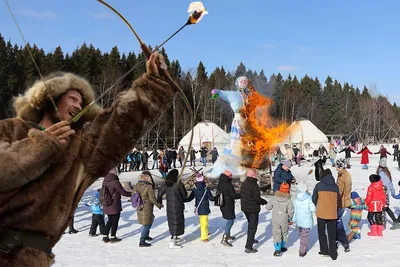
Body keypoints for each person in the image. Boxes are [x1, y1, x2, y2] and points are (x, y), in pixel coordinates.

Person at [0, 52, 174, 266]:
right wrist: (43, 145)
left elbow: (120, 125)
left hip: (32, 259)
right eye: (72, 98)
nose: (77, 105)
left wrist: (153, 85)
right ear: (51, 97)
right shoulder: (10, 128)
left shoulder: (79, 147)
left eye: (81, 103)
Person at [312, 169, 340, 261]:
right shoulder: (336, 187)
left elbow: (314, 198)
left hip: (321, 212)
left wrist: (319, 205)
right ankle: (333, 252)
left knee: (321, 232)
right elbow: (338, 200)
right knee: (332, 233)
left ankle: (324, 250)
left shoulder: (319, 185)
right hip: (332, 213)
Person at [157, 169, 188, 249]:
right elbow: (184, 196)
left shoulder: (167, 184)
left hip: (170, 206)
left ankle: (175, 236)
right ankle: (173, 242)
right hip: (178, 206)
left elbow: (159, 194)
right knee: (177, 222)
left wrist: (159, 202)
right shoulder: (179, 184)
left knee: (172, 222)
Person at [240, 169, 268, 253]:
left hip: (245, 208)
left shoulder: (244, 183)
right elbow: (257, 199)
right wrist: (264, 201)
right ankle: (248, 247)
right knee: (253, 227)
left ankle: (251, 239)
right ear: (253, 176)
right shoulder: (254, 185)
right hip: (252, 209)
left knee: (250, 225)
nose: (257, 175)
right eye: (256, 174)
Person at [101, 168, 132, 243]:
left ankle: (105, 236)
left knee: (110, 220)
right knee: (114, 220)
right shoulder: (115, 181)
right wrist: (132, 194)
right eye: (116, 171)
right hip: (114, 204)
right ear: (114, 172)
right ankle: (113, 236)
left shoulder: (105, 180)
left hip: (106, 203)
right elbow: (123, 192)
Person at [266, 182, 294, 257]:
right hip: (284, 219)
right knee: (284, 233)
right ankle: (282, 246)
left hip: (275, 219)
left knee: (276, 233)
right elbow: (290, 211)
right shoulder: (288, 200)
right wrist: (290, 218)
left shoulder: (273, 198)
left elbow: (268, 207)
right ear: (288, 190)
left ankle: (277, 249)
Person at [134, 171, 162, 247]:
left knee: (149, 220)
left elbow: (133, 195)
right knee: (146, 223)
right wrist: (159, 205)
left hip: (139, 206)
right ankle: (142, 241)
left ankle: (146, 235)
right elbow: (152, 198)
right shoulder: (148, 187)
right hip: (146, 207)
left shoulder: (136, 185)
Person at [185, 173, 215, 242]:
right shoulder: (206, 189)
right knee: (204, 222)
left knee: (202, 221)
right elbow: (211, 198)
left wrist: (184, 200)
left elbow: (190, 198)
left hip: (198, 207)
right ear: (203, 181)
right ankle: (204, 237)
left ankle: (206, 232)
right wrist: (217, 198)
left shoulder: (195, 189)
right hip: (205, 207)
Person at [217, 170, 240, 247]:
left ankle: (228, 235)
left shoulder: (220, 183)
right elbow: (234, 195)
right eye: (230, 177)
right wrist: (241, 195)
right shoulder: (228, 185)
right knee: (230, 220)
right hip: (228, 205)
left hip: (223, 204)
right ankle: (225, 238)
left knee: (230, 219)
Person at [293, 183, 316, 257]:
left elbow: (295, 211)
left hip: (299, 220)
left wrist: (294, 219)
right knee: (304, 236)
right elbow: (313, 209)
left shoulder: (296, 199)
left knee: (301, 234)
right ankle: (302, 251)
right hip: (306, 221)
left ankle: (302, 245)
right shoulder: (309, 198)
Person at [376, 159, 400, 228]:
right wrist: (392, 190)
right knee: (385, 208)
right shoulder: (385, 172)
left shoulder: (381, 173)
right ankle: (394, 221)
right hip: (384, 193)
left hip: (383, 193)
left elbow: (387, 183)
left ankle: (382, 224)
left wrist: (391, 191)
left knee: (383, 208)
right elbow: (390, 183)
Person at [335, 159, 352, 252]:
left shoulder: (342, 176)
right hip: (346, 200)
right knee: (338, 220)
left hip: (341, 202)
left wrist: (334, 199)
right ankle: (342, 238)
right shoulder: (346, 174)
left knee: (338, 221)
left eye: (336, 165)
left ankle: (341, 238)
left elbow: (339, 191)